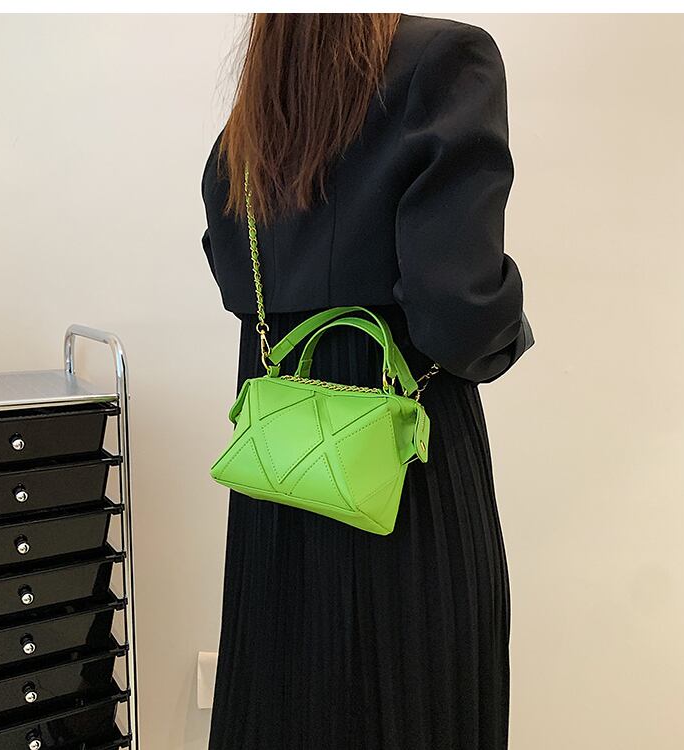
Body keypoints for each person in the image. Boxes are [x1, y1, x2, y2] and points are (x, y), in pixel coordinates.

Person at [200, 13, 534, 750]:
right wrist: (511, 322)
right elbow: (460, 311)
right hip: (406, 476)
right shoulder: (448, 60)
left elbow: (233, 272)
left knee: (284, 710)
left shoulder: (256, 108)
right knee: (414, 705)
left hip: (279, 481)